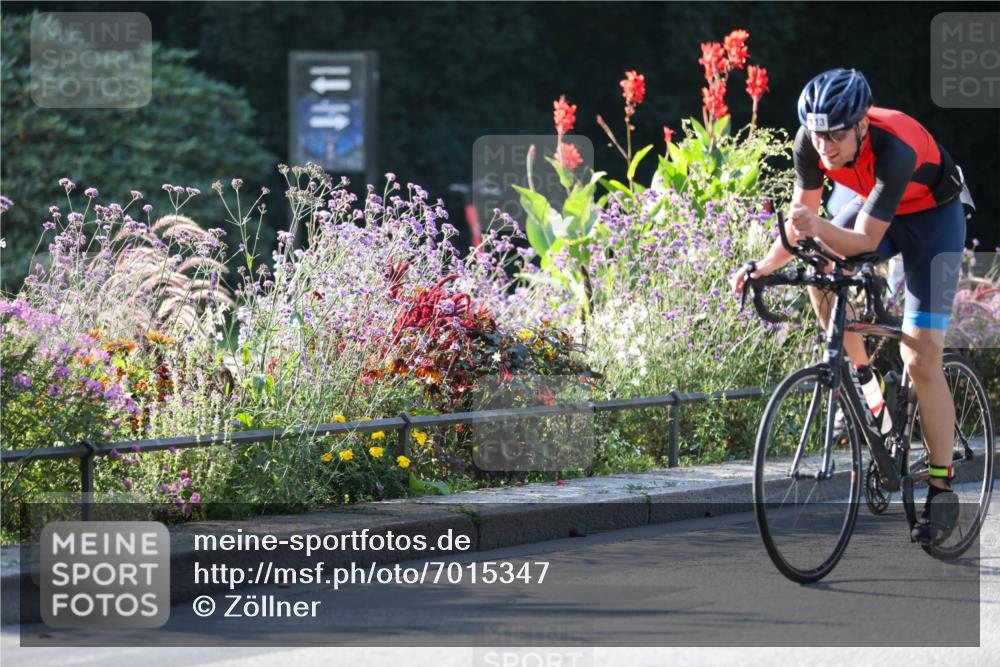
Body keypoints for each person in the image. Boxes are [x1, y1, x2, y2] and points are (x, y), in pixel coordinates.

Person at [730, 68, 970, 544]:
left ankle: (942, 488)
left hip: (934, 221)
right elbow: (801, 222)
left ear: (861, 124)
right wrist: (763, 265)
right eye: (817, 135)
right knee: (819, 268)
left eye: (836, 135)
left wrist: (817, 229)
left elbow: (862, 241)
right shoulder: (810, 141)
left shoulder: (894, 147)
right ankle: (866, 386)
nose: (825, 146)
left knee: (920, 358)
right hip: (879, 210)